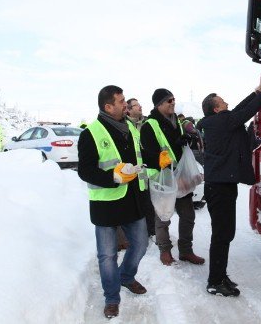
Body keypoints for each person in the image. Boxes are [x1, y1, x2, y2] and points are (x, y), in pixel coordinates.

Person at [198, 79, 261, 296]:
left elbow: (239, 110)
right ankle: (215, 281)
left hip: (223, 186)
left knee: (225, 233)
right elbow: (244, 112)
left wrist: (256, 92)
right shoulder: (219, 122)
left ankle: (220, 275)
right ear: (216, 109)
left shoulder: (220, 121)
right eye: (223, 102)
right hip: (219, 188)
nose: (227, 104)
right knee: (222, 235)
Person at [77, 85, 149, 319]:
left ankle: (126, 277)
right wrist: (113, 177)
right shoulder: (91, 133)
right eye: (121, 101)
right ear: (108, 107)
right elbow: (85, 171)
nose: (125, 105)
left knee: (140, 245)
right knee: (107, 256)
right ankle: (111, 297)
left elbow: (139, 158)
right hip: (106, 205)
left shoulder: (131, 128)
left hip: (133, 200)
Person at [141, 88, 205, 266]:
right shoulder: (149, 125)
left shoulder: (176, 120)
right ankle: (165, 250)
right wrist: (163, 157)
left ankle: (186, 250)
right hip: (163, 177)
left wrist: (186, 141)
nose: (173, 103)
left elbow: (181, 144)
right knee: (163, 216)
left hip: (180, 176)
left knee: (188, 215)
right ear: (159, 104)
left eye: (173, 100)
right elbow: (148, 154)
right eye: (169, 100)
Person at [125, 97, 155, 239]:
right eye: (136, 105)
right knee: (135, 205)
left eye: (139, 104)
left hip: (147, 172)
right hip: (132, 173)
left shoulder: (146, 123)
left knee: (148, 203)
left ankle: (151, 231)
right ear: (128, 110)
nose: (140, 107)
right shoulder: (125, 126)